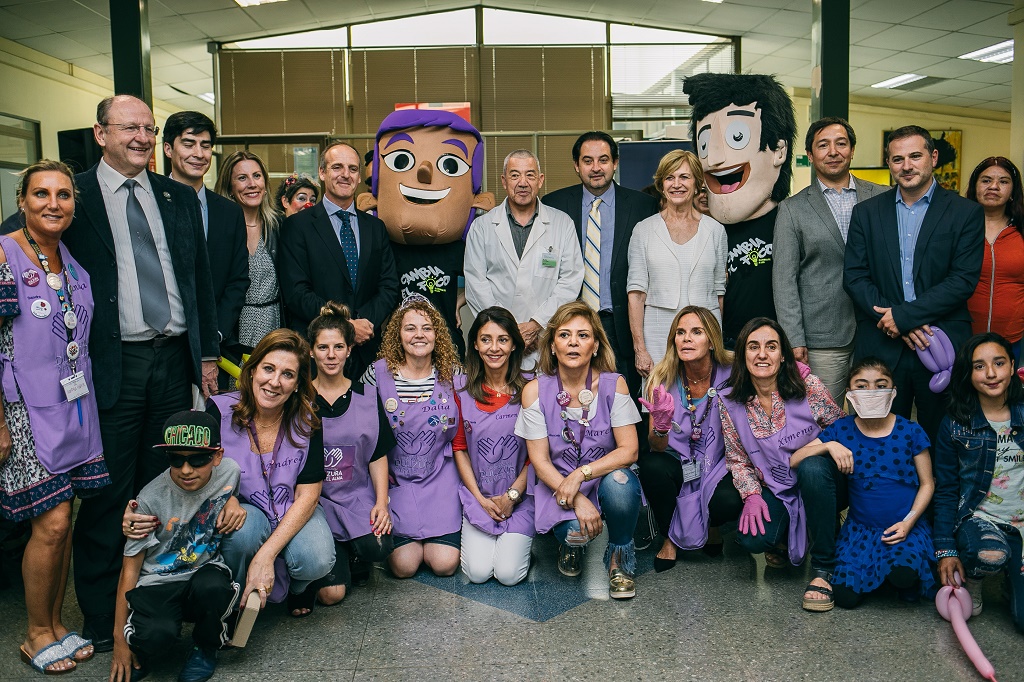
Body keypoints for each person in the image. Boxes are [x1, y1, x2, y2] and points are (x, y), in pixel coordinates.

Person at [66, 95, 219, 652]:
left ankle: (156, 596)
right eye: (129, 127)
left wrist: (206, 356)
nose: (141, 138)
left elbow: (199, 280)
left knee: (166, 482)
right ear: (100, 133)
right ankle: (101, 615)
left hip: (174, 359)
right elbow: (26, 237)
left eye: (149, 129)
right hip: (115, 363)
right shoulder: (74, 194)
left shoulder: (175, 196)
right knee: (108, 490)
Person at [0, 161, 109, 675]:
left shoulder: (71, 261)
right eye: (41, 193)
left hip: (73, 409)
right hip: (23, 411)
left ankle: (57, 624)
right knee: (52, 521)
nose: (53, 203)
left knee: (65, 522)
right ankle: (35, 633)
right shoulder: (4, 254)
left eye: (64, 195)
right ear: (22, 200)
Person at [844, 125, 984, 446]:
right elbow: (854, 276)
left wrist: (904, 317)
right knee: (877, 441)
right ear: (889, 164)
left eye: (915, 156)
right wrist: (893, 320)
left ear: (933, 157)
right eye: (898, 159)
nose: (906, 166)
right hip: (882, 344)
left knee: (943, 441)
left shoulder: (965, 213)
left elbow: (962, 280)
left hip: (942, 344)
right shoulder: (866, 213)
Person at [515, 301, 642, 598]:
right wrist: (575, 496)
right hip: (557, 484)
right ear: (552, 346)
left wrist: (580, 475)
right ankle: (570, 546)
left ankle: (619, 562)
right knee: (575, 533)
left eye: (583, 335)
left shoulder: (615, 384)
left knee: (621, 482)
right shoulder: (534, 390)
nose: (573, 342)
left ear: (595, 346)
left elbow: (629, 451)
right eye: (564, 335)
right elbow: (539, 461)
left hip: (602, 478)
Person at [718, 317, 844, 611]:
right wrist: (751, 495)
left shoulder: (809, 385)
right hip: (778, 486)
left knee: (812, 469)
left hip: (824, 480)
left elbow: (842, 430)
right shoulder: (730, 400)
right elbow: (737, 459)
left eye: (771, 347)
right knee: (752, 539)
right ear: (743, 355)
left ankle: (823, 567)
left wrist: (819, 448)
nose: (762, 354)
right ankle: (785, 536)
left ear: (784, 355)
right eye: (753, 347)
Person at [209, 329, 335, 618]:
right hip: (245, 510)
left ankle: (298, 588)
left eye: (288, 374)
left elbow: (309, 494)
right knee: (241, 534)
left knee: (316, 558)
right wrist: (225, 497)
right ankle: (235, 595)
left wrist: (265, 555)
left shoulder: (307, 419)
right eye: (268, 368)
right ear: (252, 370)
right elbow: (200, 475)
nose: (275, 382)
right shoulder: (218, 411)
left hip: (291, 506)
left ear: (297, 384)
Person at [110, 411, 244, 682]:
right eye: (176, 459)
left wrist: (234, 501)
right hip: (157, 581)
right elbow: (130, 568)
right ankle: (143, 645)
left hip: (203, 571)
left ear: (217, 456)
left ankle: (206, 648)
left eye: (198, 459)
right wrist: (118, 641)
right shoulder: (149, 499)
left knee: (215, 588)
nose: (186, 470)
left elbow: (229, 491)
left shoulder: (230, 471)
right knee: (155, 636)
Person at [790, 357, 936, 608]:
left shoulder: (911, 431)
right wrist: (829, 445)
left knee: (904, 576)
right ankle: (878, 574)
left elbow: (927, 483)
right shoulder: (842, 429)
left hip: (904, 528)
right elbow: (796, 459)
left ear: (893, 391)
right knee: (845, 598)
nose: (872, 392)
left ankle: (893, 574)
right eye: (862, 385)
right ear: (849, 394)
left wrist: (909, 522)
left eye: (881, 385)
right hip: (861, 532)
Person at [773, 117, 887, 404]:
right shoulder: (792, 209)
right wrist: (793, 338)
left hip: (880, 326)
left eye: (841, 143)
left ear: (852, 150)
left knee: (875, 410)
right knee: (824, 414)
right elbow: (784, 281)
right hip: (822, 335)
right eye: (823, 145)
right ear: (810, 155)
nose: (833, 152)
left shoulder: (883, 197)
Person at [364, 110, 495, 358]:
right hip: (400, 342)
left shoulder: (456, 248)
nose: (424, 173)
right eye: (401, 161)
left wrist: (461, 300)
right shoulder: (387, 246)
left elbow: (488, 277)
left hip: (446, 340)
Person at [682, 73, 797, 347]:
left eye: (737, 136)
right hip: (723, 345)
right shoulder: (706, 230)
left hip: (776, 345)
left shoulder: (792, 221)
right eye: (705, 143)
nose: (715, 157)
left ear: (779, 150)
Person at [543, 131, 659, 395]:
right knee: (571, 397)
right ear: (576, 165)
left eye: (603, 160)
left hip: (621, 325)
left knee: (625, 400)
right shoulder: (554, 205)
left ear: (615, 163)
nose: (596, 168)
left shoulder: (643, 206)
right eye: (588, 161)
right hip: (570, 323)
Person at [278, 141, 400, 382]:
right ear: (322, 172)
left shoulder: (375, 228)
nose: (346, 174)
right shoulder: (297, 226)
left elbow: (389, 286)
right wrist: (346, 326)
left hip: (367, 351)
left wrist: (364, 323)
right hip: (318, 352)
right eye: (337, 167)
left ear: (359, 177)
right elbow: (296, 292)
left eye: (353, 169)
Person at [361, 295, 463, 578]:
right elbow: (359, 427)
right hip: (395, 483)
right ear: (398, 334)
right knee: (404, 567)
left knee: (444, 564)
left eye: (427, 328)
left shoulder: (454, 374)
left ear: (437, 334)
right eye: (410, 328)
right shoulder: (376, 374)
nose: (419, 334)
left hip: (440, 480)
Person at [305, 302, 395, 606]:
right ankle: (338, 550)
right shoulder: (299, 399)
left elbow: (377, 454)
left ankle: (356, 553)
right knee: (331, 596)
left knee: (378, 547)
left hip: (356, 498)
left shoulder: (367, 396)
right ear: (311, 352)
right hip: (316, 503)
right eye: (323, 347)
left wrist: (381, 503)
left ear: (349, 351)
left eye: (338, 347)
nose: (331, 355)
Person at [637, 306, 739, 572]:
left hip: (720, 461)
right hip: (677, 460)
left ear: (712, 341)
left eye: (696, 332)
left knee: (728, 502)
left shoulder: (735, 372)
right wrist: (661, 427)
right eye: (680, 333)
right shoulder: (662, 377)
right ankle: (670, 537)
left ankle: (712, 524)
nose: (687, 339)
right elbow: (656, 446)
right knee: (652, 466)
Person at [934, 332, 1024, 632]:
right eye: (979, 366)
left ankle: (1013, 579)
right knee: (989, 553)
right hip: (981, 520)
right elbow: (946, 490)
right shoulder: (954, 425)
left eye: (999, 363)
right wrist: (946, 550)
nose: (991, 374)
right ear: (968, 374)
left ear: (1012, 366)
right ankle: (976, 577)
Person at [464, 150, 584, 370]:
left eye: (530, 175)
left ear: (540, 180)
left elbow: (570, 280)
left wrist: (537, 324)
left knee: (546, 390)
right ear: (504, 181)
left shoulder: (562, 223)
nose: (522, 182)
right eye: (514, 175)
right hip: (497, 341)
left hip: (545, 338)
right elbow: (476, 283)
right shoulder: (482, 227)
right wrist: (507, 330)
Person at [452, 307, 533, 585]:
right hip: (480, 497)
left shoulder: (531, 388)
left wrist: (512, 496)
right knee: (477, 573)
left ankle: (524, 549)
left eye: (503, 340)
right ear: (475, 344)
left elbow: (536, 455)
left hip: (521, 498)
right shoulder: (461, 389)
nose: (494, 348)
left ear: (514, 345)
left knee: (508, 575)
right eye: (486, 339)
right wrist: (480, 499)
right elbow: (459, 448)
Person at [627, 150, 727, 375]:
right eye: (669, 178)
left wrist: (716, 340)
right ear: (662, 185)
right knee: (661, 395)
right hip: (658, 333)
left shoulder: (716, 230)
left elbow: (719, 292)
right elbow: (636, 294)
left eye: (684, 177)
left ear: (697, 183)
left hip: (704, 333)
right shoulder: (643, 230)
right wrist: (640, 349)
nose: (676, 184)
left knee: (704, 391)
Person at [162, 111, 249, 357]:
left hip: (216, 343)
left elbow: (238, 279)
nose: (199, 154)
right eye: (189, 144)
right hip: (162, 344)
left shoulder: (229, 212)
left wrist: (215, 332)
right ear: (168, 149)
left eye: (206, 145)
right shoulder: (150, 203)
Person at [214, 151, 281, 353]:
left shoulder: (280, 226)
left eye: (257, 176)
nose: (252, 184)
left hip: (274, 327)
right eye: (242, 178)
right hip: (231, 330)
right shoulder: (218, 230)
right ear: (230, 188)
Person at [965, 157, 1024, 364]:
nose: (994, 186)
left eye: (1003, 181)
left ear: (1013, 191)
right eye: (986, 180)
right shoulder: (957, 228)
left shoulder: (1021, 231)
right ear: (975, 187)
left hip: (1014, 340)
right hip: (961, 336)